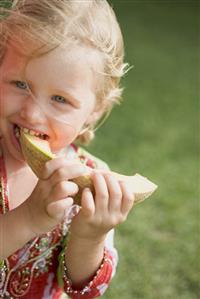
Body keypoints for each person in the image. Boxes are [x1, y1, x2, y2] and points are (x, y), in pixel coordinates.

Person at [0, 1, 135, 298]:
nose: (32, 114)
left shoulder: (92, 181)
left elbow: (81, 290)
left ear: (94, 112)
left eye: (60, 99)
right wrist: (27, 219)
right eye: (20, 84)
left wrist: (90, 236)